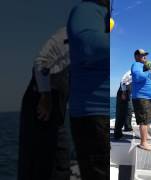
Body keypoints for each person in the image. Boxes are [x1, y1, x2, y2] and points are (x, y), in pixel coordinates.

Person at [18, 27, 70, 180]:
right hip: (42, 99)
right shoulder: (71, 33)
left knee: (60, 157)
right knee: (39, 163)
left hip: (59, 102)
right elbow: (41, 62)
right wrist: (45, 96)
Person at [67, 0, 109, 179]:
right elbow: (88, 45)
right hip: (93, 115)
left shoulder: (104, 15)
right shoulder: (86, 9)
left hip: (103, 115)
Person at [114, 70, 133, 140]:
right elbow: (123, 81)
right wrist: (124, 93)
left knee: (129, 111)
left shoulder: (141, 72)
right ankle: (117, 134)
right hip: (123, 93)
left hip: (128, 94)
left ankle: (127, 127)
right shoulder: (132, 71)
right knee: (121, 113)